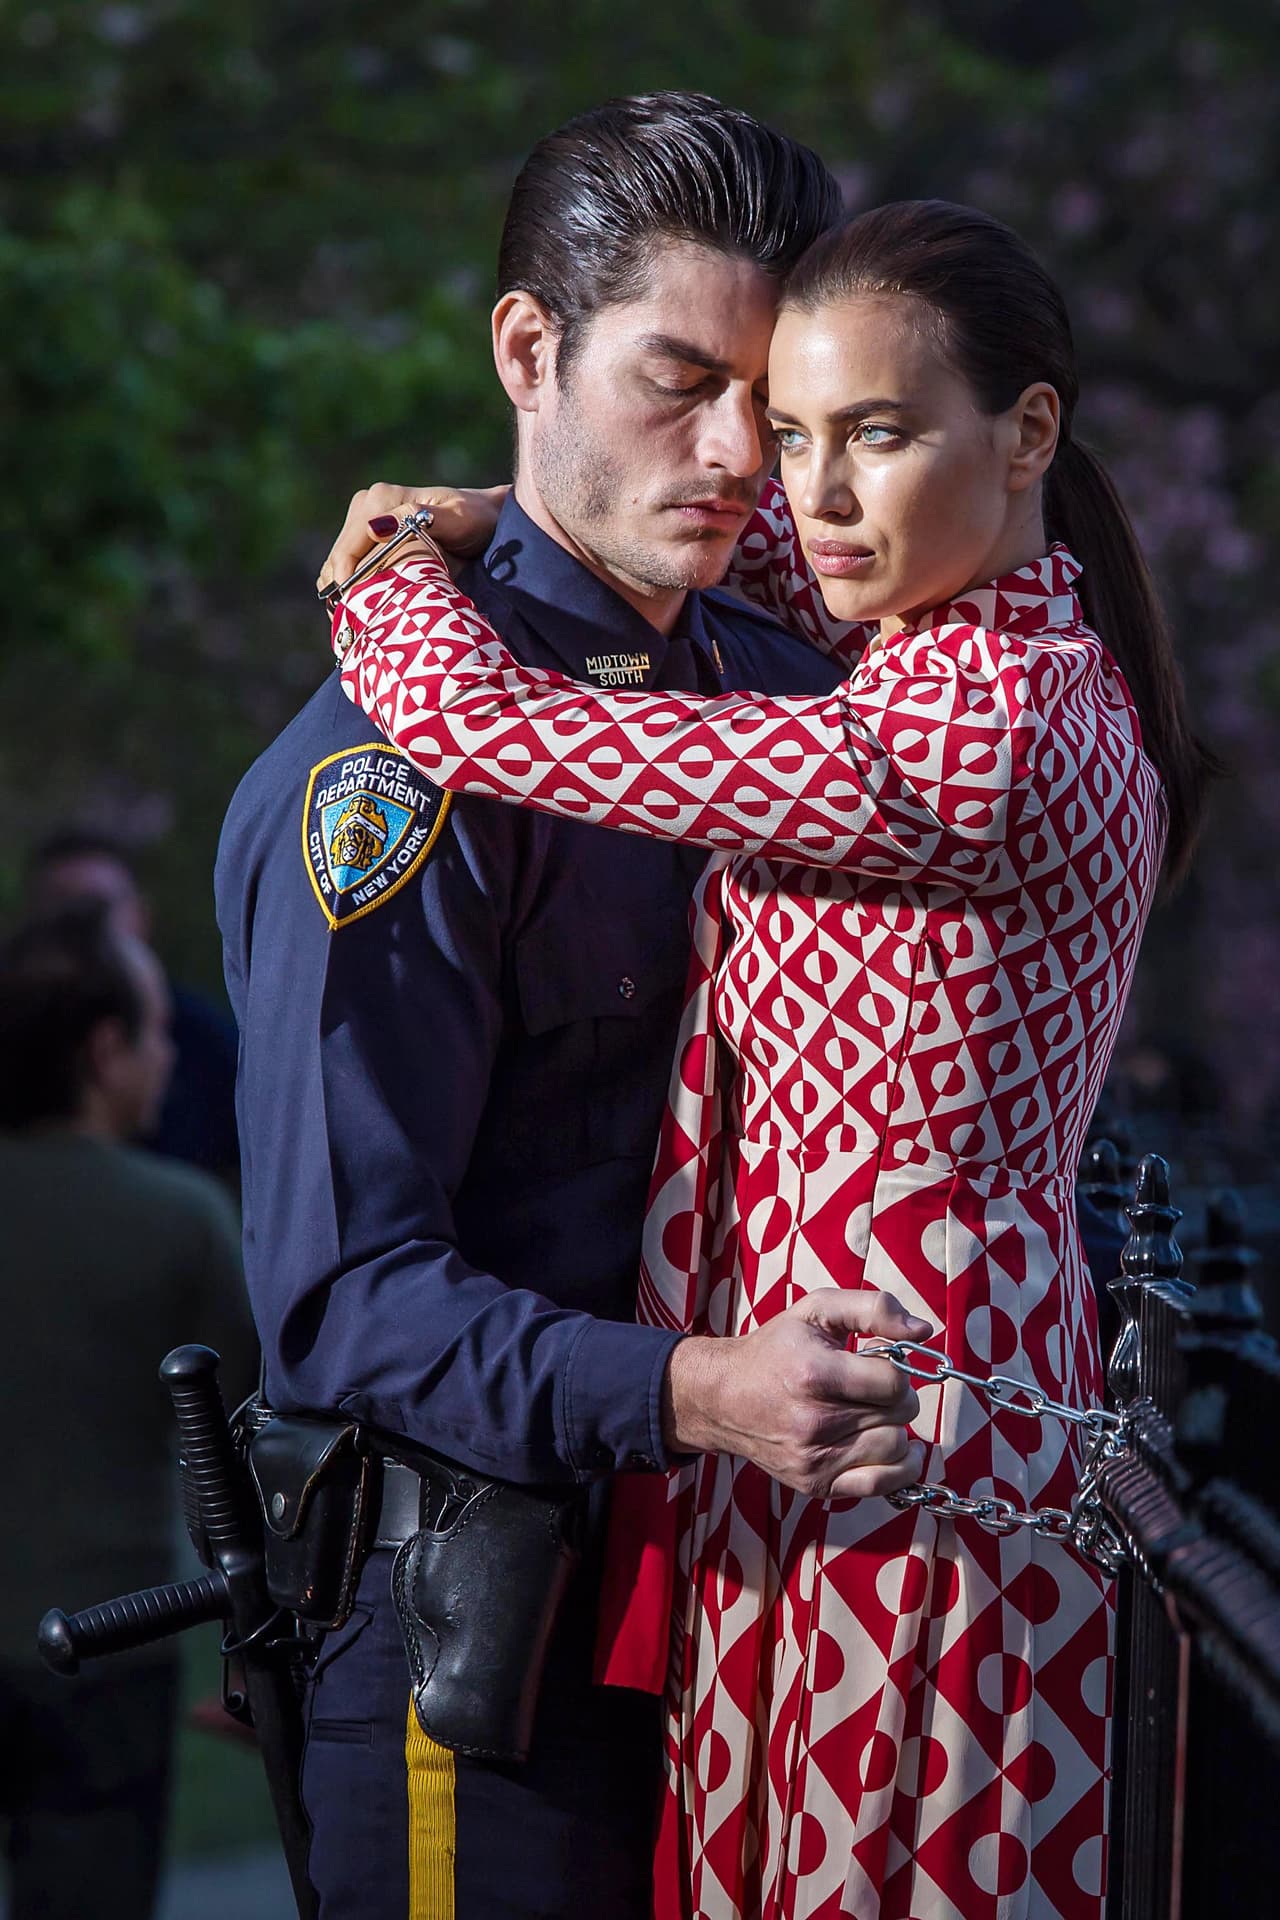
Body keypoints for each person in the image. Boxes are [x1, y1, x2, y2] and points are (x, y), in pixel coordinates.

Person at [321, 200, 1213, 1920]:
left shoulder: (982, 721)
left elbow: (486, 728)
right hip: (829, 1403)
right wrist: (500, 509)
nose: (809, 488)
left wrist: (390, 564)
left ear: (1029, 432)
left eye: (873, 433)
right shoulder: (956, 626)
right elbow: (711, 540)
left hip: (903, 1436)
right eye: (793, 432)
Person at [217, 94, 927, 1920]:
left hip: (780, 1616)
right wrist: (696, 1390)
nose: (733, 457)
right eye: (673, 383)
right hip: (491, 1647)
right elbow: (340, 1298)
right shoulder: (395, 768)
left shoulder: (791, 676)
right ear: (527, 349)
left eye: (760, 407)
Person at [0, 902, 255, 1920]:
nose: (166, 1054)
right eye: (153, 1030)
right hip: (104, 1650)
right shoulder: (178, 1220)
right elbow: (241, 1468)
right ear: (103, 1051)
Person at [26, 826, 240, 1183]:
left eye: (97, 908)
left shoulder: (210, 1043)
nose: (80, 929)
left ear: (142, 917)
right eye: (62, 907)